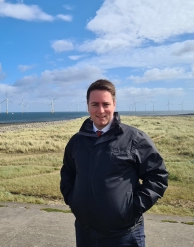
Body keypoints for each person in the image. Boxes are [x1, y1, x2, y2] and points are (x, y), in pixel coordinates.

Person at [60, 79, 168, 247]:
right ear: (88, 106)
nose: (101, 110)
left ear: (114, 104)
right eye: (95, 104)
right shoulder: (77, 141)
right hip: (86, 232)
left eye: (106, 104)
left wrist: (131, 209)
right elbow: (68, 172)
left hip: (124, 234)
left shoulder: (135, 138)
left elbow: (157, 177)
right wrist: (73, 200)